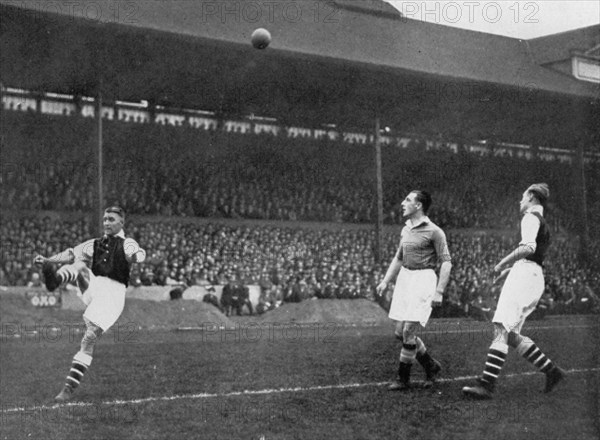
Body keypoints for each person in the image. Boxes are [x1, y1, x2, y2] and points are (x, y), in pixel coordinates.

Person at [462, 184, 565, 400]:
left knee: (501, 328)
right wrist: (510, 270)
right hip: (533, 276)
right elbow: (534, 256)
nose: (520, 201)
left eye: (522, 197)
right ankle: (552, 372)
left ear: (530, 197)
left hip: (525, 276)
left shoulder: (530, 216)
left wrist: (502, 263)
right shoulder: (542, 222)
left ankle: (487, 385)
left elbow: (527, 248)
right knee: (511, 334)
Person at [34, 206, 146, 402]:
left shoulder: (127, 243)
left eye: (111, 219)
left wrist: (136, 256)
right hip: (96, 287)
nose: (106, 223)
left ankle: (68, 389)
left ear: (121, 223)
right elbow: (71, 253)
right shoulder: (95, 244)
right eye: (104, 219)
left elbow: (137, 252)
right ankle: (54, 280)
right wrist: (48, 260)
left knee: (89, 338)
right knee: (79, 265)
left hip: (112, 295)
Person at [376, 190, 452, 390]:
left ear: (418, 205)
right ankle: (430, 365)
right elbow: (399, 258)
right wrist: (385, 281)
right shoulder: (406, 229)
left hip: (424, 279)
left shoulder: (435, 231)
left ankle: (403, 379)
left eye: (407, 200)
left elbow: (446, 262)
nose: (402, 203)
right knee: (400, 332)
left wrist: (439, 291)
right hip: (405, 279)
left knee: (409, 330)